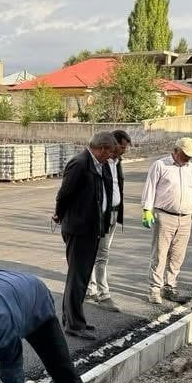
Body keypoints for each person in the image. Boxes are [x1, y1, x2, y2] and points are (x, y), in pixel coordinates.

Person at [53, 132, 118, 338]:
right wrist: (59, 215)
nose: (110, 157)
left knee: (81, 278)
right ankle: (74, 324)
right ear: (102, 148)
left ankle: (73, 319)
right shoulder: (80, 163)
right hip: (79, 229)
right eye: (109, 153)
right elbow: (64, 194)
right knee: (77, 278)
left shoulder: (101, 165)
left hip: (93, 229)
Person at [140, 137, 192, 304]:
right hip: (164, 216)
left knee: (177, 256)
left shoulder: (190, 168)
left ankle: (170, 287)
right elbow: (149, 188)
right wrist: (146, 210)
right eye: (185, 155)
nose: (188, 158)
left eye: (190, 156)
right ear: (176, 151)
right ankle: (154, 289)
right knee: (160, 254)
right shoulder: (160, 165)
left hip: (186, 218)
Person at [86, 130, 132, 312]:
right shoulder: (100, 164)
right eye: (122, 146)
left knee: (99, 254)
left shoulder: (117, 163)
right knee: (100, 255)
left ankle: (91, 288)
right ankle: (102, 294)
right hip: (101, 217)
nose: (124, 150)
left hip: (113, 215)